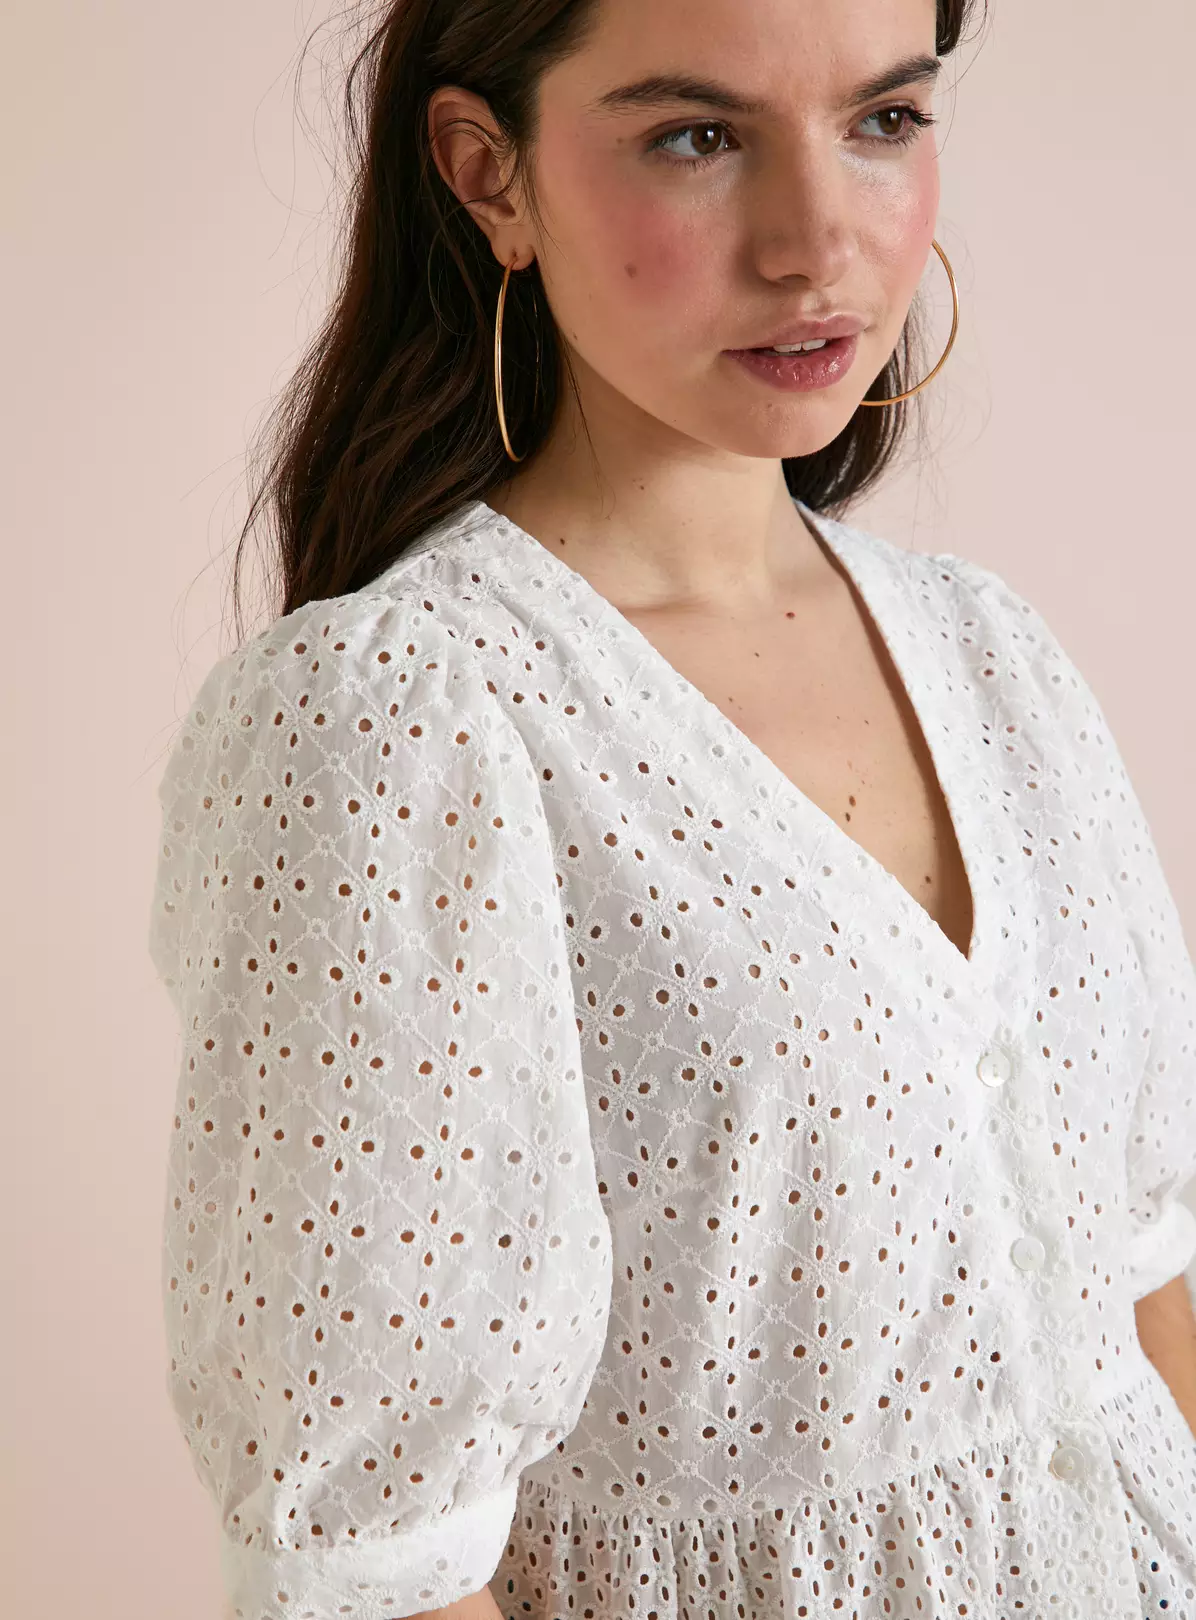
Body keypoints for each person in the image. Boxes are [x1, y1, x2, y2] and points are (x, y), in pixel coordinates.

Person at [147, 0, 1196, 1615]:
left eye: (885, 121)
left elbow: (1146, 1289)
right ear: (488, 174)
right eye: (697, 138)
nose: (816, 246)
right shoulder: (403, 727)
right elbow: (375, 1563)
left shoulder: (994, 656)